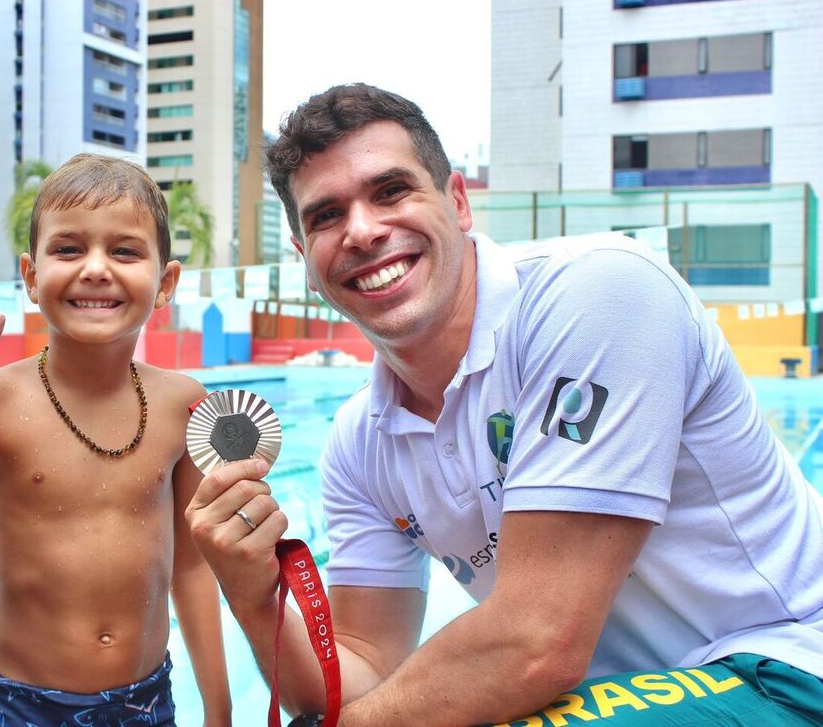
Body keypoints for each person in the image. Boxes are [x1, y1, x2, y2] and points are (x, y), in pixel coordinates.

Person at [185, 84, 823, 726]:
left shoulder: (597, 294)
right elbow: (357, 678)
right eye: (326, 216)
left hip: (782, 666)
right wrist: (253, 594)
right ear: (303, 258)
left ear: (458, 202)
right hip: (609, 701)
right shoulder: (360, 444)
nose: (362, 231)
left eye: (391, 191)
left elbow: (536, 642)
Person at [0, 154, 231, 726]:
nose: (96, 269)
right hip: (19, 707)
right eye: (68, 249)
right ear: (32, 277)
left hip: (145, 705)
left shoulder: (183, 403)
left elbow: (191, 567)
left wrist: (220, 708)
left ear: (166, 282)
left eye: (125, 251)